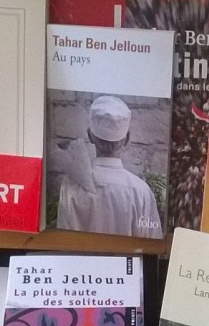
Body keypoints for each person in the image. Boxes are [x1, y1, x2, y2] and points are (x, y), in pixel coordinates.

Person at [54, 95, 164, 238]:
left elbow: (63, 239)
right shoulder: (141, 192)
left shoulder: (70, 185)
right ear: (127, 139)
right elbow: (152, 243)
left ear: (90, 136)